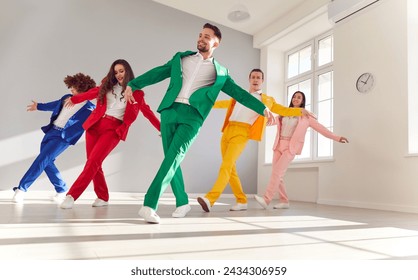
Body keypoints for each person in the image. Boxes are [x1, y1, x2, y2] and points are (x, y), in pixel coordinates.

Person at [124, 23, 282, 224]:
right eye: (200, 35)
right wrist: (134, 84)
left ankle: (149, 205)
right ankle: (182, 202)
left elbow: (241, 94)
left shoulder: (221, 73)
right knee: (171, 160)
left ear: (216, 42)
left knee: (173, 157)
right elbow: (158, 72)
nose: (201, 38)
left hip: (193, 117)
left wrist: (263, 109)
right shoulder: (181, 58)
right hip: (169, 111)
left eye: (206, 36)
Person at [196, 69, 309, 212]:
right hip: (227, 130)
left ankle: (210, 199)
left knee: (226, 166)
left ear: (262, 81)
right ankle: (242, 200)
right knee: (230, 169)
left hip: (242, 132)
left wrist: (299, 111)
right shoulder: (240, 95)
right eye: (253, 77)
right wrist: (202, 102)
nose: (256, 80)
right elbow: (222, 104)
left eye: (259, 77)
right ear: (249, 79)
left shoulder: (266, 100)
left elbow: (283, 110)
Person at [60, 59, 160, 209]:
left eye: (121, 71)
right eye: (116, 72)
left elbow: (147, 112)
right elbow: (91, 93)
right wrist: (74, 99)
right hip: (95, 126)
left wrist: (161, 128)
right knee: (93, 163)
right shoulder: (107, 86)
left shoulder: (136, 92)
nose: (119, 74)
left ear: (128, 72)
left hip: (113, 129)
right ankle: (103, 196)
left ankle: (71, 195)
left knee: (93, 162)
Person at [255, 91, 349, 210]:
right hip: (278, 145)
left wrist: (337, 137)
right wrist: (260, 117)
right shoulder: (284, 112)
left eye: (299, 97)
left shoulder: (306, 117)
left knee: (277, 173)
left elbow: (322, 129)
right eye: (294, 96)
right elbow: (271, 121)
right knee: (277, 174)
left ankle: (266, 199)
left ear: (302, 101)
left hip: (290, 147)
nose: (295, 99)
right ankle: (284, 201)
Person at [12, 73, 96, 203]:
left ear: (84, 89)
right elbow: (54, 105)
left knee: (42, 160)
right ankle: (62, 189)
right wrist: (38, 106)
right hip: (51, 131)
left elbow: (94, 123)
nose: (71, 90)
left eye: (74, 88)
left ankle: (21, 189)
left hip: (63, 138)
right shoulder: (67, 98)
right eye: (71, 87)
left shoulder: (89, 109)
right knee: (46, 162)